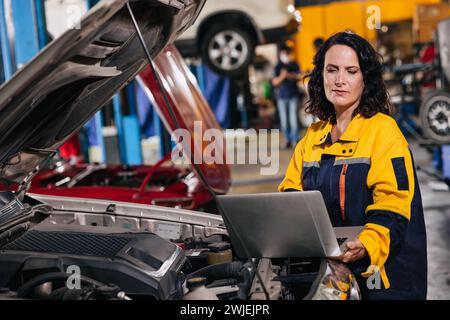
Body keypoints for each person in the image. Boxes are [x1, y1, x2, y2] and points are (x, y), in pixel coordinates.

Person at [278, 32, 427, 300]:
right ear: (320, 75)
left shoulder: (384, 133)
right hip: (336, 274)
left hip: (383, 277)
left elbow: (392, 208)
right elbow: (291, 193)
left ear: (364, 79)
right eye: (331, 70)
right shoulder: (312, 137)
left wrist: (366, 244)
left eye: (351, 71)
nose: (339, 80)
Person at [272, 45, 302, 148]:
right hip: (281, 97)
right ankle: (287, 139)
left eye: (287, 53)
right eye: (284, 53)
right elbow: (274, 82)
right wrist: (282, 76)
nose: (286, 55)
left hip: (293, 95)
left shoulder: (294, 64)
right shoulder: (277, 66)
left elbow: (300, 76)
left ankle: (295, 139)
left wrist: (289, 75)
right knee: (284, 121)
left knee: (293, 119)